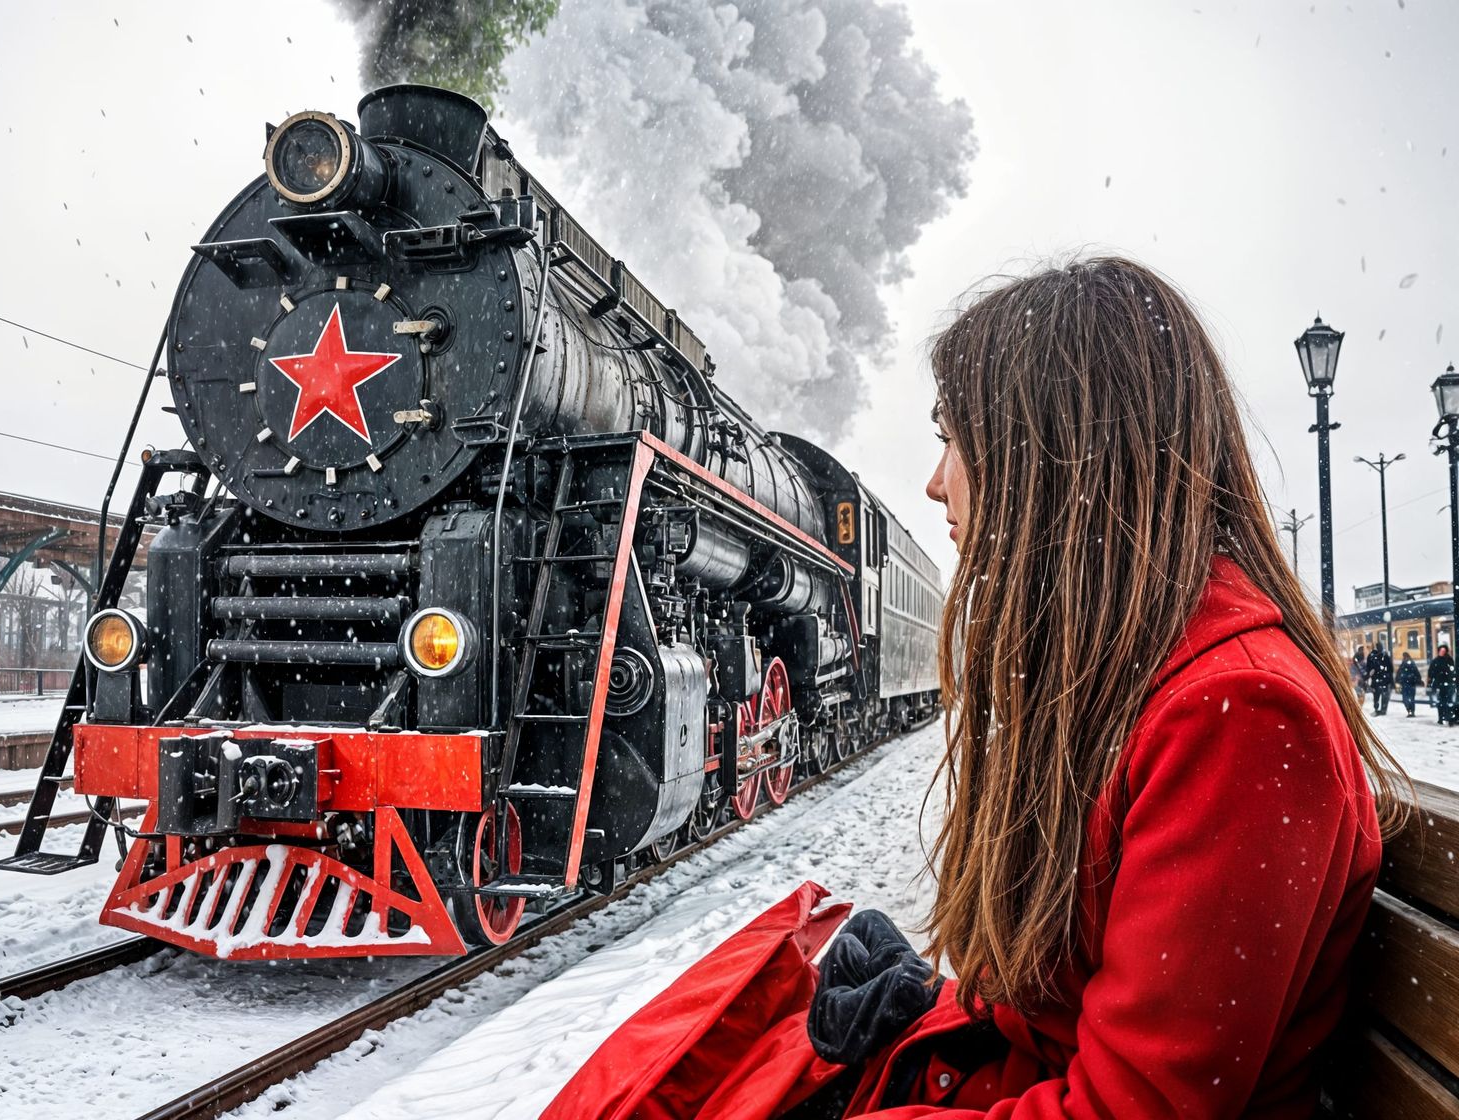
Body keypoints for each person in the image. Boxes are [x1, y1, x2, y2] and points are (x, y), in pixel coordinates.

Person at [545, 257, 1411, 1120]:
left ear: (1058, 454)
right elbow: (1069, 1022)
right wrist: (930, 1004)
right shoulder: (1140, 675)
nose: (935, 482)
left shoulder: (1241, 721)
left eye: (954, 438)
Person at [1430, 643, 1457, 725]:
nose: (1442, 652)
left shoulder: (1449, 660)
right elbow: (1432, 672)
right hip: (1440, 684)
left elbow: (1452, 671)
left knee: (1448, 701)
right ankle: (1441, 717)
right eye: (1441, 651)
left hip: (1448, 684)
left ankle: (1448, 717)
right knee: (1441, 702)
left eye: (1444, 651)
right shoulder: (1436, 661)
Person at [1365, 642, 1394, 715]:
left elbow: (1368, 668)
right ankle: (1382, 709)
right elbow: (1390, 668)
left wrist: (1370, 674)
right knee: (1384, 695)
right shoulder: (1384, 655)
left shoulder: (1372, 656)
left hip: (1377, 680)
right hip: (1384, 679)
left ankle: (1377, 708)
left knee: (1376, 695)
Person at [1396, 651, 1423, 716]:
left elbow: (1399, 673)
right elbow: (1416, 672)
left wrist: (1398, 680)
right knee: (1411, 698)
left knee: (1406, 698)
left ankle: (1409, 710)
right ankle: (1411, 711)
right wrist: (1419, 680)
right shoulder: (1411, 663)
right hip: (1410, 683)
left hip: (1407, 683)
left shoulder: (1404, 664)